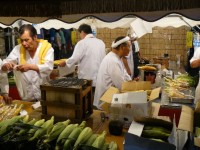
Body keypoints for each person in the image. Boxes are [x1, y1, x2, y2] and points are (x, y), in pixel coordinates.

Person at [1, 24, 54, 101]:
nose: (24, 43)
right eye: (21, 40)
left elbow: (48, 67)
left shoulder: (46, 48)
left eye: (26, 40)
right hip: (27, 96)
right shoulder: (18, 49)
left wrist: (30, 67)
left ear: (35, 37)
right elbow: (5, 64)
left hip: (44, 95)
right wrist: (6, 65)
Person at [58, 24, 106, 91]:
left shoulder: (82, 43)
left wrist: (65, 62)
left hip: (87, 78)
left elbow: (75, 58)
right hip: (100, 78)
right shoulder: (101, 42)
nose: (80, 36)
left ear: (83, 32)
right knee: (96, 98)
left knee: (87, 98)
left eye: (80, 33)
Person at [93, 36, 132, 109]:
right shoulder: (112, 61)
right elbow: (121, 85)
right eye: (129, 47)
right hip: (105, 102)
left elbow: (125, 74)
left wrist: (131, 82)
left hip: (111, 97)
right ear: (122, 47)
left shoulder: (117, 58)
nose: (130, 50)